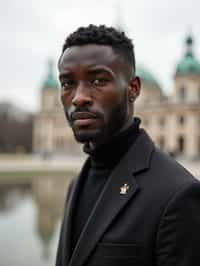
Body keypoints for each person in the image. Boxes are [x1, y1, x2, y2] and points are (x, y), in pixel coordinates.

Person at [56, 25, 200, 266]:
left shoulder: (179, 194)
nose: (79, 97)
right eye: (67, 83)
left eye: (98, 80)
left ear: (133, 89)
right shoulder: (75, 184)